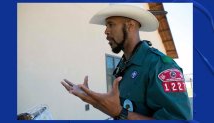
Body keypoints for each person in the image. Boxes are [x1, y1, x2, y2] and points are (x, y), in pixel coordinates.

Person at [61, 4, 192, 120]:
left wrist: (120, 112)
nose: (105, 31)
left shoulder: (161, 66)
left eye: (111, 24)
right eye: (106, 26)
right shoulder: (123, 65)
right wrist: (91, 99)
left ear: (130, 26)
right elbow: (118, 110)